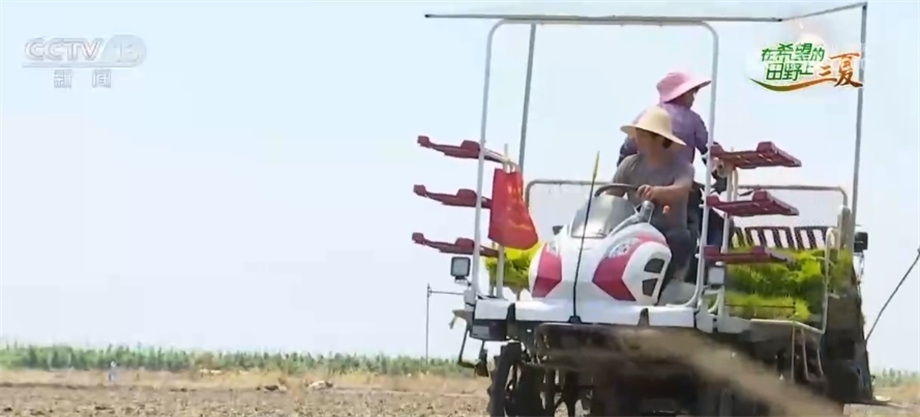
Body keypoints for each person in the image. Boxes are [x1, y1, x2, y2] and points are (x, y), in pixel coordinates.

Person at [617, 71, 727, 250]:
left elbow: (626, 150)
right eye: (692, 93)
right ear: (681, 94)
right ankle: (703, 263)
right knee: (716, 228)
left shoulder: (646, 116)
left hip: (639, 192)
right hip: (679, 187)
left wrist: (626, 175)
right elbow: (710, 153)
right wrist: (721, 177)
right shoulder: (692, 119)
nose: (693, 98)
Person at [611, 106, 695, 285]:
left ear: (659, 139)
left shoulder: (683, 167)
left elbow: (682, 189)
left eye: (643, 135)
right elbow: (611, 196)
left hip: (667, 232)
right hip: (632, 233)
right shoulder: (629, 164)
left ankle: (667, 287)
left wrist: (656, 192)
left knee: (681, 239)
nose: (636, 140)